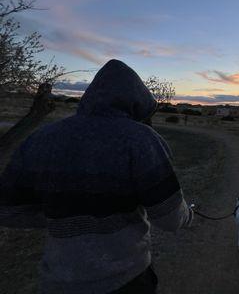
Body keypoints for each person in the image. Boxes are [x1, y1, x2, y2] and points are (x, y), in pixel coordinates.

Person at [0, 59, 193, 293]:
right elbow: (170, 217)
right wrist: (188, 214)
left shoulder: (42, 138)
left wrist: (63, 214)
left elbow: (8, 211)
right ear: (138, 101)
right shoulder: (141, 140)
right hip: (126, 280)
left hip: (56, 282)